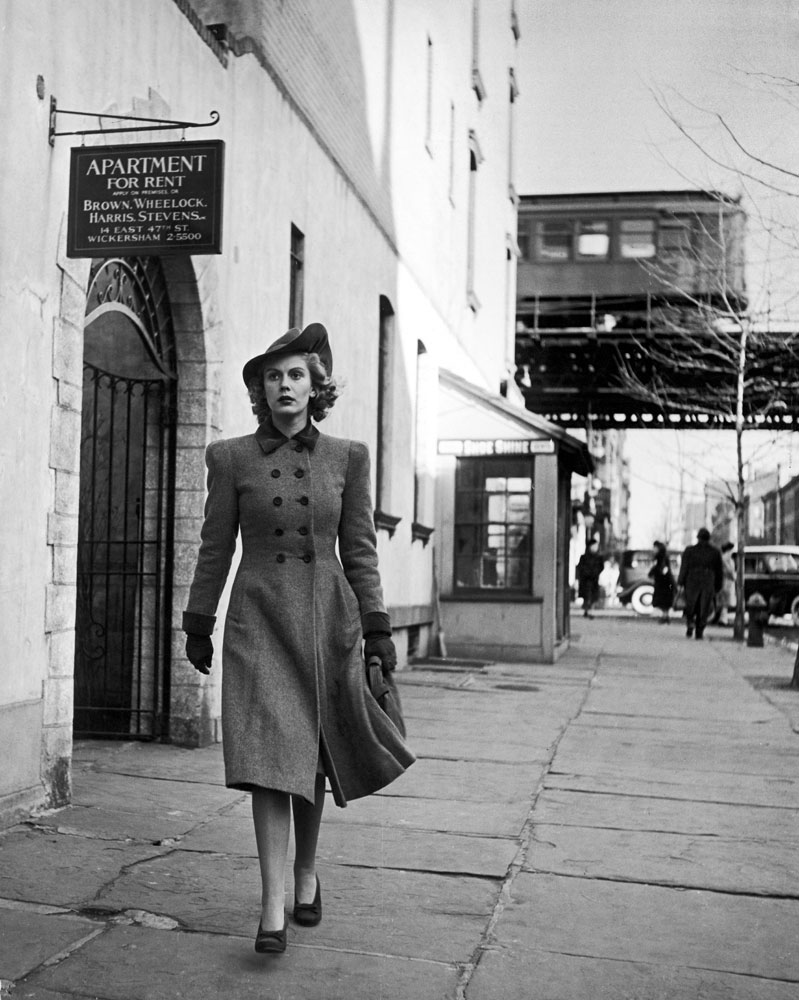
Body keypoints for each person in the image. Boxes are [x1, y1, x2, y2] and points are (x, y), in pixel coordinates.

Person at [182, 323, 415, 955]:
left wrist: (377, 629)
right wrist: (198, 619)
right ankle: (271, 903)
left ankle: (306, 872)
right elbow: (214, 546)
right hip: (257, 622)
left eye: (296, 375)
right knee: (266, 763)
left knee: (312, 756)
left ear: (316, 387)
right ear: (259, 388)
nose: (284, 385)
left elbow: (360, 551)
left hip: (328, 623)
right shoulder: (229, 458)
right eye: (273, 376)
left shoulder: (348, 458)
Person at [677, 527, 723, 640]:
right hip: (708, 581)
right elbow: (719, 571)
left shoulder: (689, 550)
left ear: (698, 538)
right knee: (704, 607)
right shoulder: (715, 552)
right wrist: (717, 586)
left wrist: (680, 582)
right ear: (708, 538)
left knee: (691, 605)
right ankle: (699, 631)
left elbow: (684, 567)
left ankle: (690, 624)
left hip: (692, 580)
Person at [648, 540, 675, 623]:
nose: (653, 549)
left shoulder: (660, 558)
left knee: (662, 599)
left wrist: (652, 572)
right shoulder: (663, 557)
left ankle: (665, 616)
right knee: (665, 600)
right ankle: (665, 616)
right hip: (666, 582)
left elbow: (661, 569)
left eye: (655, 548)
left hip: (663, 582)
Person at [576, 538, 604, 618]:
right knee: (587, 595)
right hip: (586, 579)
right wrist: (586, 573)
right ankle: (587, 610)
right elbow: (580, 567)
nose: (596, 548)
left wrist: (595, 572)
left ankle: (590, 610)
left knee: (592, 596)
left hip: (594, 579)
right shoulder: (584, 557)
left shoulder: (598, 557)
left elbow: (601, 567)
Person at [714, 541, 736, 625]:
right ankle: (723, 619)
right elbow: (729, 570)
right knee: (725, 602)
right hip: (727, 581)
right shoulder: (727, 558)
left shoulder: (725, 558)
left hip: (725, 581)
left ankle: (721, 618)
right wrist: (733, 577)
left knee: (723, 602)